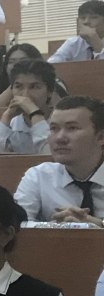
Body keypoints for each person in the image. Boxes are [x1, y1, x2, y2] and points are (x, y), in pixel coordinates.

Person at [13, 96, 104, 225]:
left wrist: (99, 224)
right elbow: (16, 224)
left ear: (100, 137)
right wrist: (58, 227)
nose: (60, 138)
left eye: (72, 128)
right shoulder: (39, 176)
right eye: (54, 129)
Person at [0, 60, 54, 155]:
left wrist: (34, 113)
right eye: (19, 87)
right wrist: (6, 118)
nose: (25, 95)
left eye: (34, 87)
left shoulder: (60, 121)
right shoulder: (11, 124)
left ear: (50, 91)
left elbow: (51, 156)